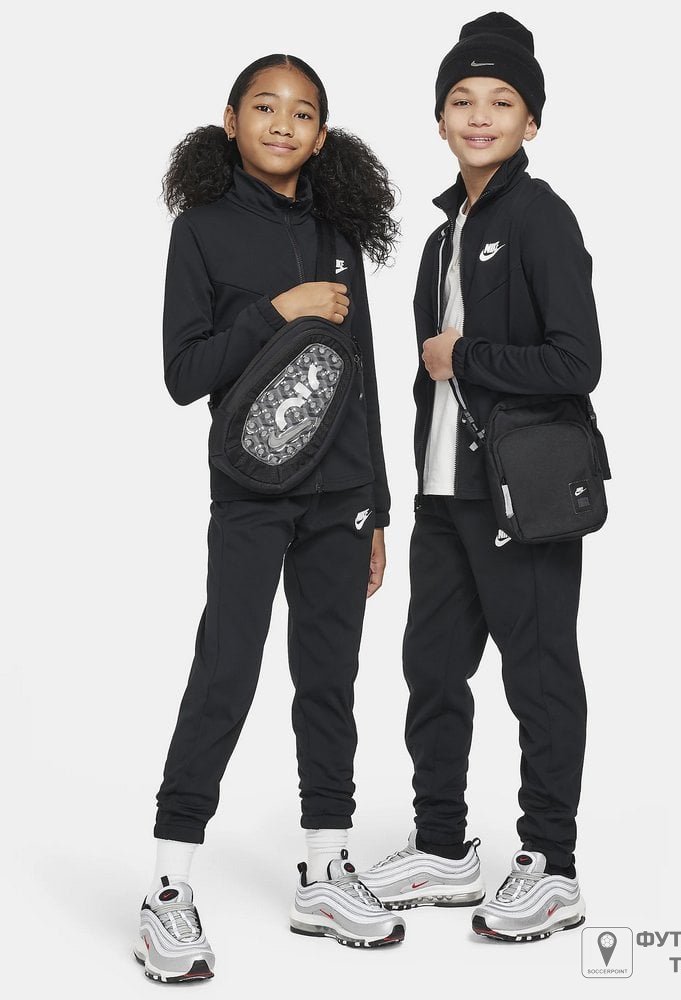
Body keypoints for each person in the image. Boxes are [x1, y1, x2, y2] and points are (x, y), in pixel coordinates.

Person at [134, 54, 404, 982]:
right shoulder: (201, 231)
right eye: (265, 106)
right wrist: (277, 313)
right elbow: (184, 375)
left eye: (303, 113)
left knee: (330, 680)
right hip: (250, 492)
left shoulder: (338, 232)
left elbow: (363, 376)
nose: (283, 124)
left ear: (322, 136)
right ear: (231, 120)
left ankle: (325, 871)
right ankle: (167, 889)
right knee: (227, 671)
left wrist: (377, 506)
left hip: (341, 498)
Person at [360, 12, 602, 943]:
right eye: (461, 100)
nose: (479, 115)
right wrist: (399, 492)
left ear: (531, 121)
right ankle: (442, 847)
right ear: (439, 119)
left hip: (520, 496)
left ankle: (552, 865)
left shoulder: (541, 218)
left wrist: (466, 354)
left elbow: (576, 362)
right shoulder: (441, 238)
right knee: (432, 669)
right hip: (443, 493)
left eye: (502, 102)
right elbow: (428, 382)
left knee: (538, 675)